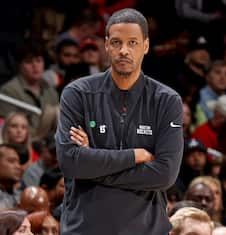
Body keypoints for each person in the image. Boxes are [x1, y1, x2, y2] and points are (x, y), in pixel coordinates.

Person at [56, 8, 184, 234]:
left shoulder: (167, 100)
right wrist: (135, 155)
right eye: (116, 42)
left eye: (132, 42)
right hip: (85, 229)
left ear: (145, 45)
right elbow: (70, 162)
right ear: (106, 45)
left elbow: (165, 174)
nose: (124, 50)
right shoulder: (77, 93)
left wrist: (93, 164)